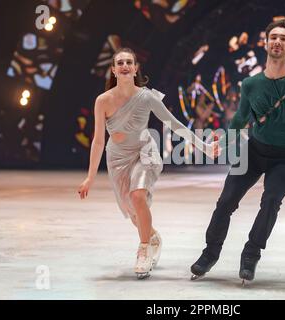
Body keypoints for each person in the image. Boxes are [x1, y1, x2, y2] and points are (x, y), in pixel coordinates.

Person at [190, 19, 285, 284]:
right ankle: (210, 253)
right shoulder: (250, 84)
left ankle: (251, 254)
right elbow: (240, 120)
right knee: (226, 200)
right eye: (273, 37)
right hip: (254, 150)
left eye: (283, 38)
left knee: (271, 200)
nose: (277, 41)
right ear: (265, 43)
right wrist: (223, 143)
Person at [78, 48, 219, 279]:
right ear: (113, 69)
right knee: (134, 214)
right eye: (120, 62)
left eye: (129, 62)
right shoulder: (102, 101)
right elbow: (98, 140)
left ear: (135, 69)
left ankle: (144, 250)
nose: (124, 66)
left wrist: (204, 147)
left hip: (145, 152)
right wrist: (90, 177)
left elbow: (175, 125)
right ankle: (152, 237)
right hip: (117, 158)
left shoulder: (147, 97)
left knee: (138, 196)